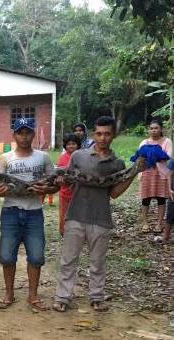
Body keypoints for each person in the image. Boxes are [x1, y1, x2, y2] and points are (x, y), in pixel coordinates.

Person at [53, 116, 138, 313]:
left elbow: (115, 193)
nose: (102, 138)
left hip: (101, 218)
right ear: (93, 134)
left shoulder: (117, 163)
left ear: (113, 135)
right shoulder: (79, 156)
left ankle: (97, 297)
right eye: (99, 133)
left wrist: (132, 174)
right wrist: (60, 179)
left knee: (98, 262)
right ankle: (62, 297)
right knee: (68, 259)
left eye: (107, 134)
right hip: (76, 215)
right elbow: (68, 182)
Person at [0, 118, 59, 311]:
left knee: (36, 256)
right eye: (20, 132)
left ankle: (33, 295)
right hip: (11, 210)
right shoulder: (4, 159)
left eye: (28, 132)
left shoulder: (43, 157)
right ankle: (9, 293)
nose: (24, 136)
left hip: (34, 212)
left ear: (33, 134)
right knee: (6, 256)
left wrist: (47, 187)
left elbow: (54, 184)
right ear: (14, 135)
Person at [138, 119, 172, 233]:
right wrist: (155, 155)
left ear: (161, 129)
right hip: (147, 173)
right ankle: (145, 222)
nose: (153, 130)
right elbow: (140, 158)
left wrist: (153, 156)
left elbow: (167, 156)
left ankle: (159, 224)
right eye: (151, 128)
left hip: (161, 174)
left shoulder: (167, 141)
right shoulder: (144, 142)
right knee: (145, 199)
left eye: (156, 128)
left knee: (161, 199)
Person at [56, 134, 82, 236]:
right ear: (65, 145)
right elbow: (59, 173)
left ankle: (78, 233)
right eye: (68, 144)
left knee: (78, 214)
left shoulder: (81, 156)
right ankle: (63, 232)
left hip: (79, 192)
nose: (71, 146)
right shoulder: (62, 157)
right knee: (64, 213)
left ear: (78, 145)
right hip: (65, 192)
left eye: (73, 144)